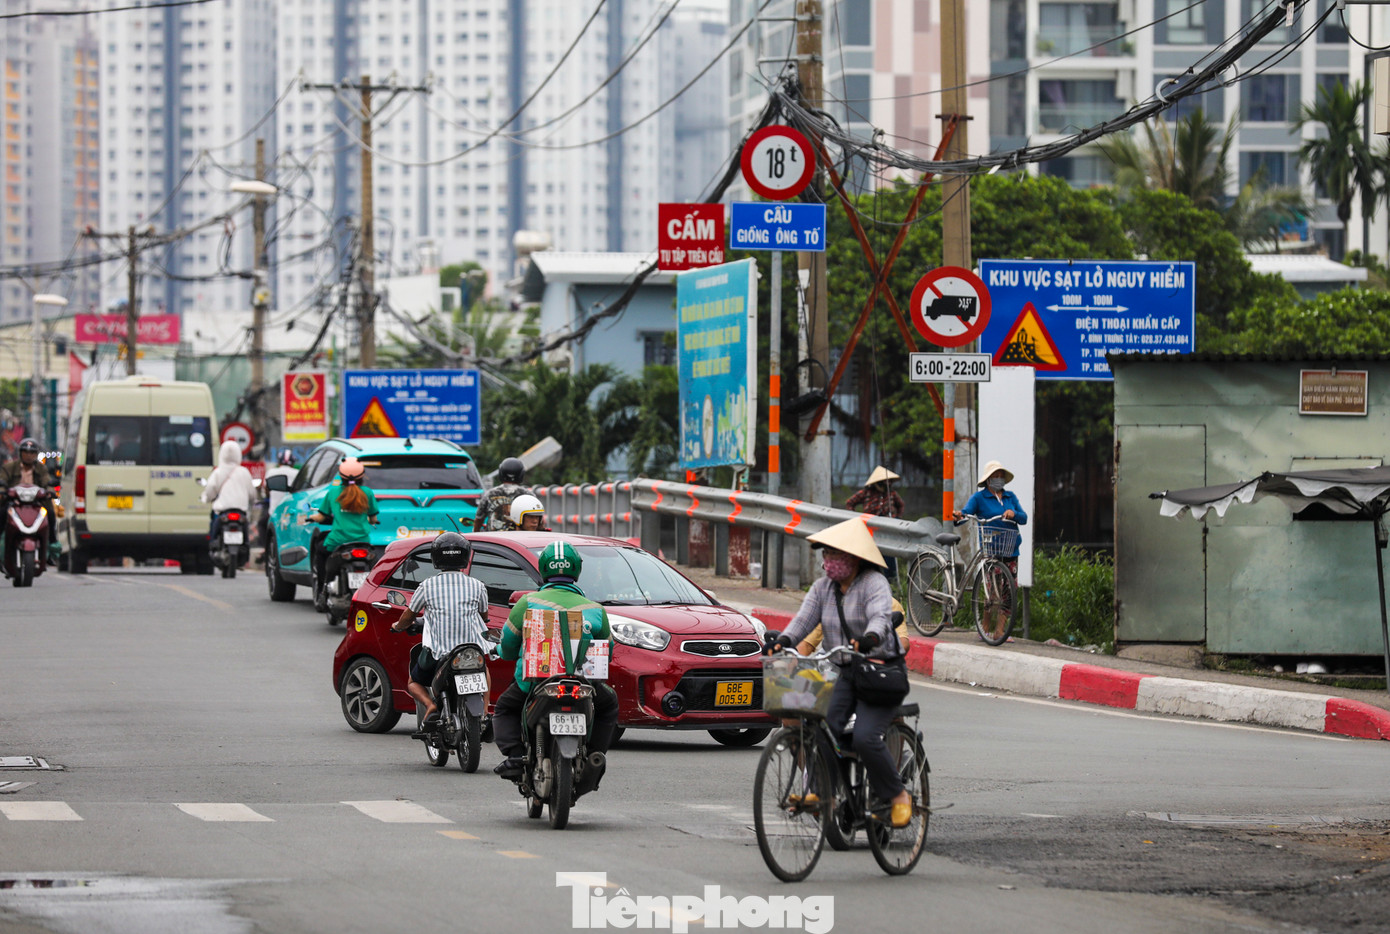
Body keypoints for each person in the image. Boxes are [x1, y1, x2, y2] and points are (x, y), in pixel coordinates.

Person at [768, 516, 914, 828]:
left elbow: (879, 616)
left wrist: (871, 638)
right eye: (826, 556)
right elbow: (803, 621)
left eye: (836, 555)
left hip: (879, 673)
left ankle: (898, 795)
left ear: (855, 558)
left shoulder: (874, 584)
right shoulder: (823, 588)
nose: (828, 563)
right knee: (824, 727)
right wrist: (783, 641)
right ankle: (824, 794)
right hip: (846, 674)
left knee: (864, 737)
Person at [493, 541, 619, 791]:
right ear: (577, 570)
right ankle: (595, 756)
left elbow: (507, 647)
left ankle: (516, 756)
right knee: (609, 704)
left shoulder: (527, 603)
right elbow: (608, 652)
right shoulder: (596, 610)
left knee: (505, 709)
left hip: (534, 682)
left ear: (543, 569)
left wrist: (503, 652)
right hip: (584, 683)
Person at [389, 532, 491, 725]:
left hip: (438, 655)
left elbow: (409, 615)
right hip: (469, 651)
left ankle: (430, 705)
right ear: (465, 556)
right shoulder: (477, 586)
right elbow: (484, 616)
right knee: (483, 668)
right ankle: (485, 709)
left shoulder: (427, 586)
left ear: (436, 558)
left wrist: (397, 626)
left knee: (414, 682)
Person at [954, 459, 1027, 642]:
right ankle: (984, 628)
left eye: (1001, 476)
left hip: (1010, 548)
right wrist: (959, 516)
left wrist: (1014, 514)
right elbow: (966, 513)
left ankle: (1000, 631)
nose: (999, 479)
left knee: (1009, 592)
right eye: (995, 476)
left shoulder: (1010, 497)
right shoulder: (979, 498)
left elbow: (1023, 517)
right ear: (988, 479)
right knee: (992, 592)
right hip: (992, 549)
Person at [306, 457, 379, 604]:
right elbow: (373, 518)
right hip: (362, 541)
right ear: (362, 475)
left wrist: (311, 518)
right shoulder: (368, 493)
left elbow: (321, 516)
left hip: (338, 540)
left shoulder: (333, 493)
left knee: (320, 552)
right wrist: (373, 521)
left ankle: (322, 590)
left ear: (340, 475)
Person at [0, 439, 57, 561]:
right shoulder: (9, 467)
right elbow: (3, 479)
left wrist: (50, 490)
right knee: (2, 512)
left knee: (50, 514)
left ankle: (52, 546)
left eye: (32, 453)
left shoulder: (42, 469)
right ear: (20, 453)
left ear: (36, 455)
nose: (28, 455)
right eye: (25, 452)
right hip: (14, 503)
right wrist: (3, 490)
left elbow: (47, 481)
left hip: (35, 504)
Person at [845, 465, 906, 577]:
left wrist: (897, 518)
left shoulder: (891, 493)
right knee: (871, 552)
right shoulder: (866, 493)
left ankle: (890, 578)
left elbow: (901, 505)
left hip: (888, 527)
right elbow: (850, 502)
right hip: (871, 527)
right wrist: (856, 517)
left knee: (889, 553)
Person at [201, 440, 256, 560]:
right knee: (245, 529)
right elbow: (252, 493)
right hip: (241, 511)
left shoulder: (218, 472)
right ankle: (245, 547)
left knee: (214, 527)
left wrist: (206, 498)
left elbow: (210, 490)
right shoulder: (244, 472)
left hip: (223, 511)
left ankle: (213, 546)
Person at [473, 457, 527, 531]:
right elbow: (538, 520)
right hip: (518, 539)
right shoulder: (527, 495)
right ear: (521, 474)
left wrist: (475, 534)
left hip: (494, 540)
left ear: (501, 473)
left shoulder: (490, 494)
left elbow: (479, 519)